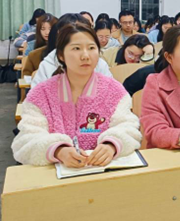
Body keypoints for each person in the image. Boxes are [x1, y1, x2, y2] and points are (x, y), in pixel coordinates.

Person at [13, 23, 141, 167]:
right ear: (61, 55)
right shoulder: (41, 94)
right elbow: (25, 140)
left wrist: (111, 145)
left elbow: (129, 127)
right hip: (54, 175)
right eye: (76, 48)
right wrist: (58, 150)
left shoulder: (114, 91)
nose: (85, 56)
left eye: (91, 48)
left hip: (101, 172)